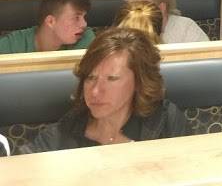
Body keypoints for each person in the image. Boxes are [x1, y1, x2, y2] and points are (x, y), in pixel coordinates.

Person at [20, 27, 190, 153]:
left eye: (112, 79)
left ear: (139, 82)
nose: (95, 91)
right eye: (91, 78)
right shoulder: (66, 131)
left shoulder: (165, 121)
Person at [0, 0, 95, 54]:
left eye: (84, 17)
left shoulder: (86, 39)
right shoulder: (11, 46)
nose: (84, 24)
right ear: (50, 21)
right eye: (76, 18)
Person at [123, 0, 209, 44]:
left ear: (162, 8)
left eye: (141, 7)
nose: (133, 12)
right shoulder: (123, 30)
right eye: (129, 7)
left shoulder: (186, 28)